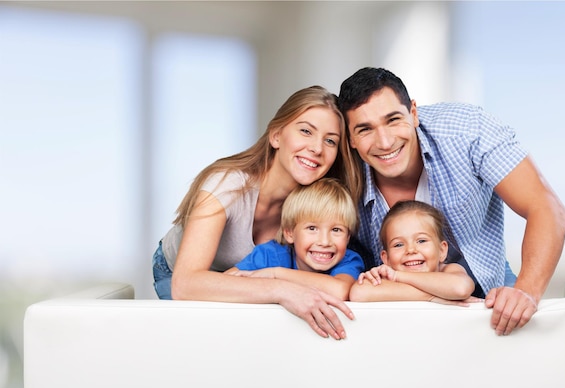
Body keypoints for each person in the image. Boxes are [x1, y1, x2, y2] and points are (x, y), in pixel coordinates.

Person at [338, 67, 565, 336]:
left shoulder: (467, 130)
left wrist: (526, 292)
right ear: (351, 138)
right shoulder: (340, 169)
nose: (385, 141)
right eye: (365, 129)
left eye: (393, 120)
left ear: (413, 112)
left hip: (486, 285)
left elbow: (546, 207)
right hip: (394, 299)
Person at [152, 85, 361, 340]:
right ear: (276, 136)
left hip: (250, 276)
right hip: (180, 273)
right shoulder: (228, 185)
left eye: (330, 140)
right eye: (306, 131)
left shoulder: (314, 205)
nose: (317, 148)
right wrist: (281, 289)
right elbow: (185, 285)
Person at [225, 178, 364, 300]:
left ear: (347, 237)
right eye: (312, 228)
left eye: (336, 230)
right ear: (289, 233)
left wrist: (275, 274)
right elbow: (224, 283)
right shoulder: (270, 254)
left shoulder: (348, 260)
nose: (325, 242)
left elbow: (340, 291)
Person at [350, 200, 475, 304]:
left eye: (421, 241)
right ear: (386, 259)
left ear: (442, 250)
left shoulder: (449, 270)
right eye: (398, 244)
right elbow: (358, 293)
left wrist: (398, 276)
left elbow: (460, 288)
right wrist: (433, 296)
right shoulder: (384, 276)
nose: (410, 250)